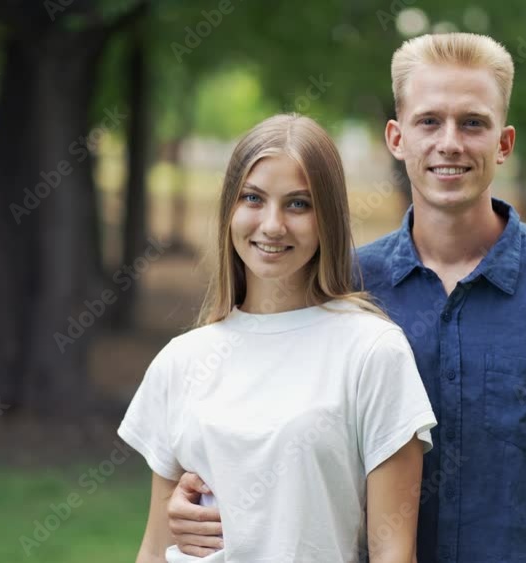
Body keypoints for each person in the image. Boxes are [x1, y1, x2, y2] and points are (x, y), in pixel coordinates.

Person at [167, 33, 526, 563]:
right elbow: (269, 436)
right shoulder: (339, 287)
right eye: (429, 121)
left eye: (472, 122)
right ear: (397, 137)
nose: (449, 142)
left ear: (504, 143)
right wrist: (190, 501)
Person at [117, 114, 438, 562]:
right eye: (253, 198)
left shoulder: (372, 352)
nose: (272, 225)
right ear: (230, 207)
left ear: (328, 217)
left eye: (298, 204)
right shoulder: (183, 360)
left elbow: (393, 552)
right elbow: (155, 549)